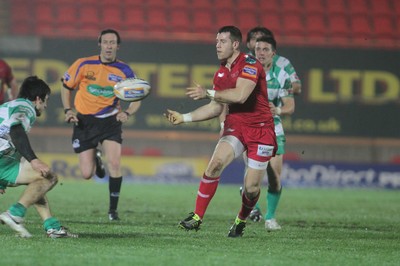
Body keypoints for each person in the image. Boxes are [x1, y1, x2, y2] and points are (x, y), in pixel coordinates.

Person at [164, 26, 277, 237]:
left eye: (222, 41)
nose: (217, 45)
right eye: (216, 41)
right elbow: (216, 107)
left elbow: (241, 95)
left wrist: (207, 92)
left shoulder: (250, 64)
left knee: (251, 188)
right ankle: (196, 217)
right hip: (236, 125)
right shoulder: (221, 72)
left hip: (261, 130)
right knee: (214, 164)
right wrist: (184, 118)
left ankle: (241, 220)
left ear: (235, 44)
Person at [61, 29, 141, 221]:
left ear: (117, 46)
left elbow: (138, 96)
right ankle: (97, 158)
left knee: (114, 163)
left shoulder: (125, 71)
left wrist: (127, 112)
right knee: (87, 174)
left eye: (112, 42)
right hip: (84, 122)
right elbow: (66, 86)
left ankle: (113, 210)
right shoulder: (83, 64)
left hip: (110, 121)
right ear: (100, 44)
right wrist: (67, 110)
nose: (109, 46)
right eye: (105, 42)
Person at [0, 76, 77, 238]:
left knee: (39, 181)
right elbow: (16, 131)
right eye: (46, 100)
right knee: (49, 177)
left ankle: (52, 227)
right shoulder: (26, 107)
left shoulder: (9, 105)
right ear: (37, 99)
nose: (46, 105)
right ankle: (15, 214)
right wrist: (34, 160)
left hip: (4, 161)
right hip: (2, 161)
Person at [246, 36, 295, 231]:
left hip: (273, 129)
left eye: (265, 49)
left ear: (273, 54)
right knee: (250, 174)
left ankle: (270, 217)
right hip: (249, 127)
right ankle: (250, 210)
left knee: (274, 176)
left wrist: (279, 110)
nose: (261, 52)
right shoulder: (246, 71)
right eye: (258, 49)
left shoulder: (282, 75)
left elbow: (290, 106)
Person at [246, 26, 302, 95]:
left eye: (263, 39)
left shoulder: (282, 62)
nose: (259, 41)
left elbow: (297, 87)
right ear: (248, 44)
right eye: (254, 39)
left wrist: (273, 92)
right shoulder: (241, 61)